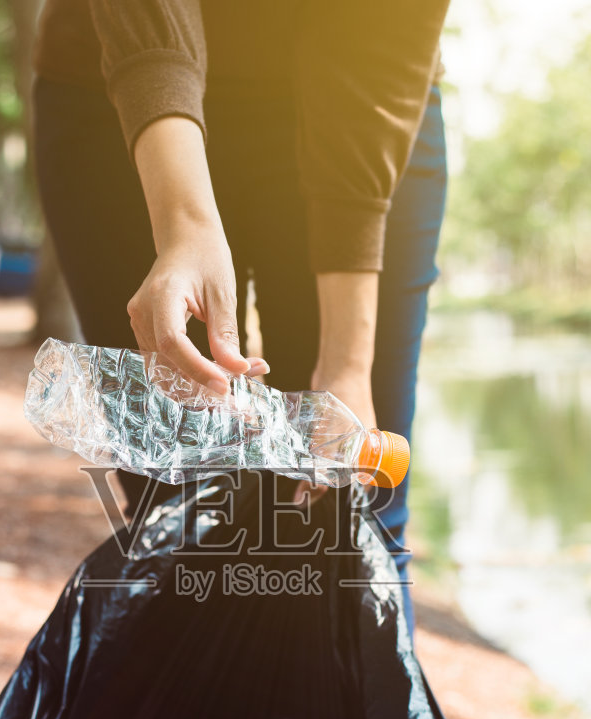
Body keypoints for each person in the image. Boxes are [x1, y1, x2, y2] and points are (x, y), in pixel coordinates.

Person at [33, 0, 450, 629]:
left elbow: (380, 31)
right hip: (122, 92)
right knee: (181, 531)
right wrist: (183, 224)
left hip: (366, 119)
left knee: (350, 525)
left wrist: (347, 360)